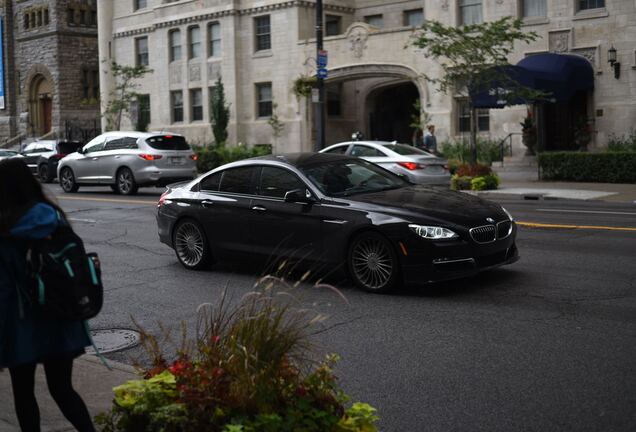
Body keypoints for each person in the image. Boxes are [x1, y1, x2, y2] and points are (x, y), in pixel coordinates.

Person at [0, 158, 95, 432]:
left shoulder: (5, 228)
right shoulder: (53, 217)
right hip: (61, 314)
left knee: (24, 392)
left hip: (22, 324)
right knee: (62, 389)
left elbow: (4, 290)